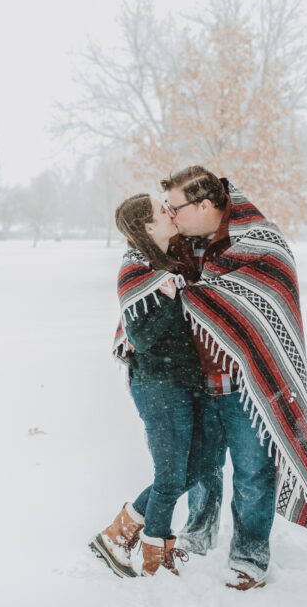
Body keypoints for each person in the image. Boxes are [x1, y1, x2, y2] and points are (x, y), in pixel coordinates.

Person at [159, 166, 307, 590]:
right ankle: (196, 540)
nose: (169, 214)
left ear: (204, 205)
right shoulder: (175, 244)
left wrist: (189, 293)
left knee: (253, 472)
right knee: (201, 468)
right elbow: (144, 277)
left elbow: (258, 302)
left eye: (175, 206)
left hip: (248, 385)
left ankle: (249, 556)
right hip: (194, 382)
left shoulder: (259, 242)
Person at [89, 193, 220, 578]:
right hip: (158, 385)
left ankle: (118, 534)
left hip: (183, 381)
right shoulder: (138, 271)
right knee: (170, 477)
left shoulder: (166, 264)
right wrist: (167, 297)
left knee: (194, 469)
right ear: (148, 227)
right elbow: (140, 337)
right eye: (162, 211)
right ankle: (155, 558)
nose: (169, 211)